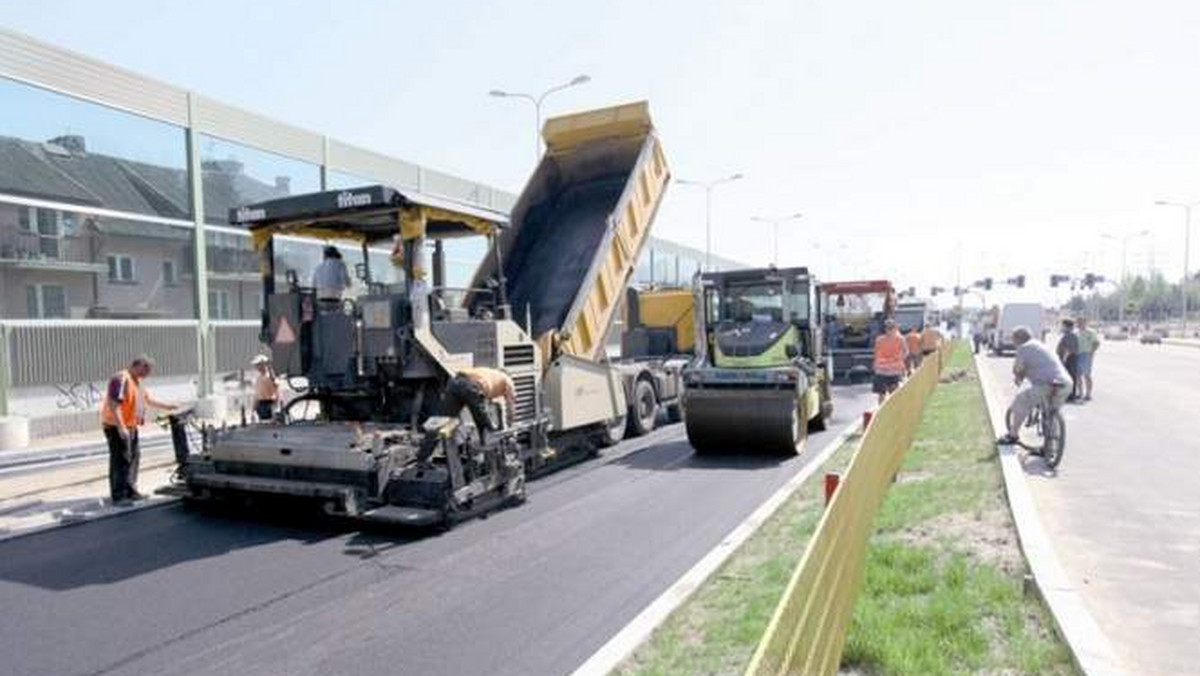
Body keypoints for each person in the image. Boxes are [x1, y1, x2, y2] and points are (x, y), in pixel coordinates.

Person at [100, 355, 175, 506]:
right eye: (145, 369)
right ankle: (119, 496)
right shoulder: (120, 379)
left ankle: (131, 490)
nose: (147, 373)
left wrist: (168, 407)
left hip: (131, 425)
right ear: (136, 366)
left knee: (134, 457)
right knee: (121, 460)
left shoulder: (137, 382)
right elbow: (114, 404)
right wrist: (121, 427)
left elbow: (147, 400)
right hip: (116, 426)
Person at [418, 367, 517, 462]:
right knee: (484, 423)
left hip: (455, 382)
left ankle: (422, 457)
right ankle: (488, 458)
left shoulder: (489, 375)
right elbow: (510, 406)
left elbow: (490, 404)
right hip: (471, 386)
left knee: (442, 420)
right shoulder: (507, 380)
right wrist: (510, 428)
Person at [997, 327, 1073, 445]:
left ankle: (1013, 435)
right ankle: (1050, 446)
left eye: (1013, 339)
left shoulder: (1024, 348)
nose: (1013, 343)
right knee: (1052, 412)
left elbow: (1017, 369)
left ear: (1018, 339)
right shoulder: (1041, 345)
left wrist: (1018, 377)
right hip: (1066, 383)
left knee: (1021, 400)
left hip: (1047, 383)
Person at [872, 319, 909, 404]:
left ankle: (880, 412)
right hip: (894, 370)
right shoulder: (901, 339)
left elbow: (876, 353)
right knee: (893, 395)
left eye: (890, 328)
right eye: (889, 328)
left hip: (881, 370)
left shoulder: (879, 339)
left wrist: (876, 364)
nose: (889, 330)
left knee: (882, 394)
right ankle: (892, 412)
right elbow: (906, 352)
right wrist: (899, 360)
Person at [1075, 318, 1100, 401]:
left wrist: (1091, 353)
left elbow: (1096, 343)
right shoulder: (1076, 333)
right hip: (1077, 355)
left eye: (1081, 322)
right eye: (1078, 322)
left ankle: (1088, 394)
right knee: (1078, 375)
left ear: (1085, 323)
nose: (1079, 324)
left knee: (1087, 375)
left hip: (1086, 354)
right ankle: (1080, 393)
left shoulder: (1091, 332)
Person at [1056, 318, 1081, 402]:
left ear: (1066, 326)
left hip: (1070, 359)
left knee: (1069, 377)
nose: (1061, 327)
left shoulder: (1070, 335)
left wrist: (1063, 360)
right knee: (1069, 377)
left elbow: (1069, 350)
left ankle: (1070, 395)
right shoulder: (1068, 334)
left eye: (1062, 325)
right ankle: (1069, 394)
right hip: (1069, 358)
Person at [251, 354, 279, 422]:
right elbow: (257, 395)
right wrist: (253, 410)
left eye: (258, 365)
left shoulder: (271, 376)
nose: (257, 367)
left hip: (270, 405)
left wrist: (270, 369)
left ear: (264, 364)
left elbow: (276, 385)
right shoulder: (258, 378)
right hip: (261, 406)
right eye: (256, 365)